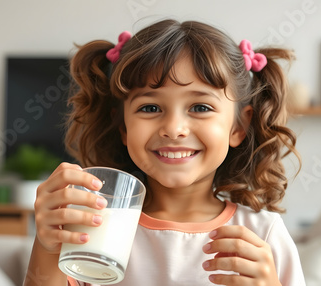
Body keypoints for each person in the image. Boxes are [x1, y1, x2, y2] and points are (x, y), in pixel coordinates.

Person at [25, 19, 305, 286]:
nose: (174, 129)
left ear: (238, 127)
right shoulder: (95, 224)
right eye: (150, 108)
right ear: (123, 127)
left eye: (200, 107)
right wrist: (47, 246)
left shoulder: (263, 234)